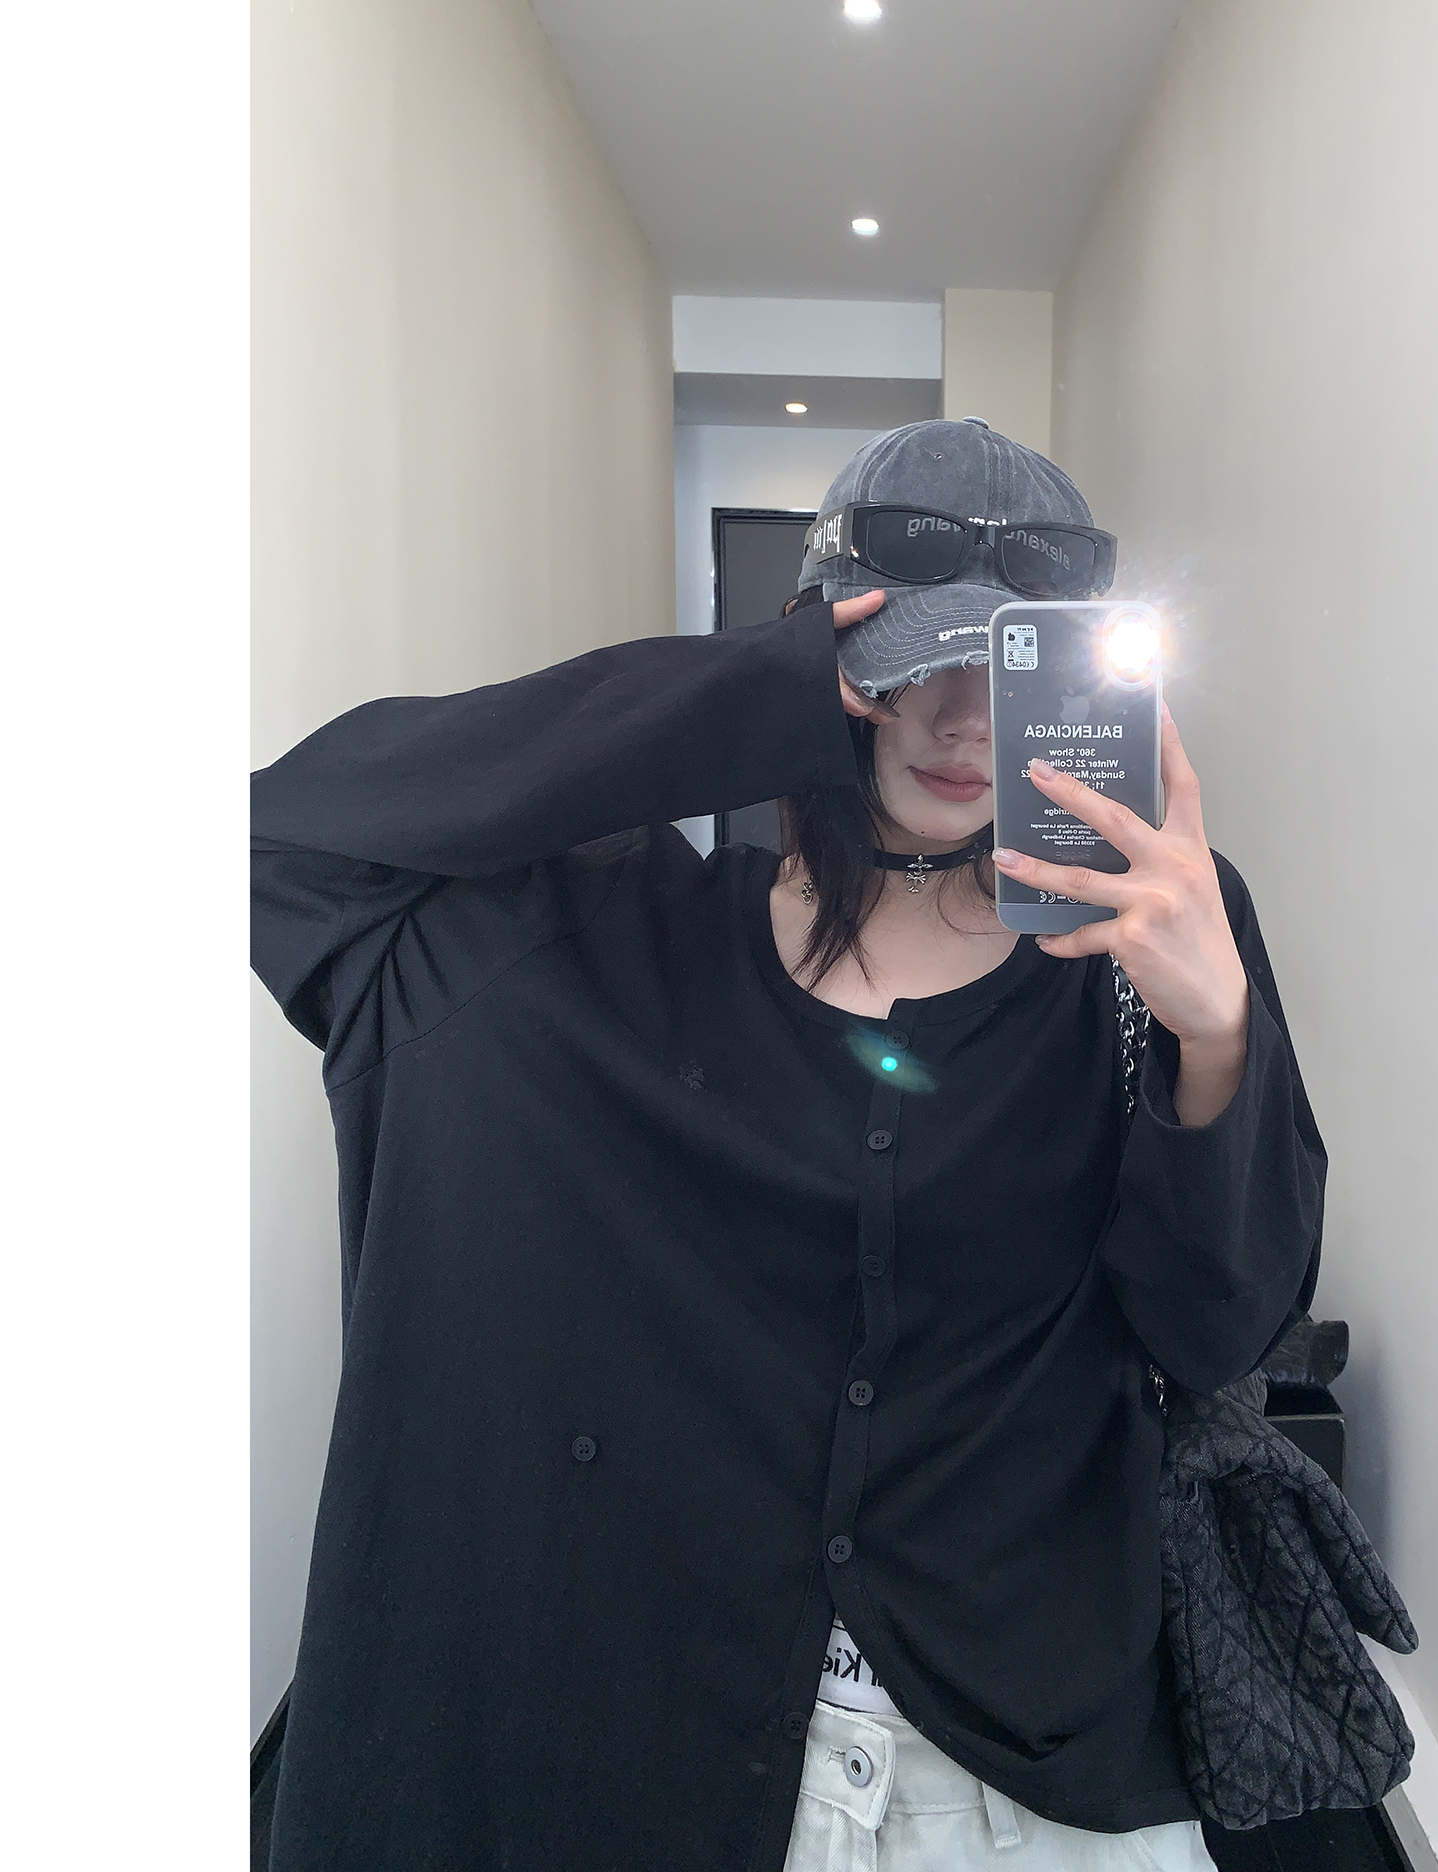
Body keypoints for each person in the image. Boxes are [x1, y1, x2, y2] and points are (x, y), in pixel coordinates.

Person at [250, 417, 1327, 1871]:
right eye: (911, 664)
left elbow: (1221, 1331)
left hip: (1027, 1780)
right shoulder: (621, 944)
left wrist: (1217, 1034)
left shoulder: (1143, 945)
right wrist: (751, 692)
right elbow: (291, 840)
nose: (963, 720)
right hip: (669, 1758)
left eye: (1015, 671)